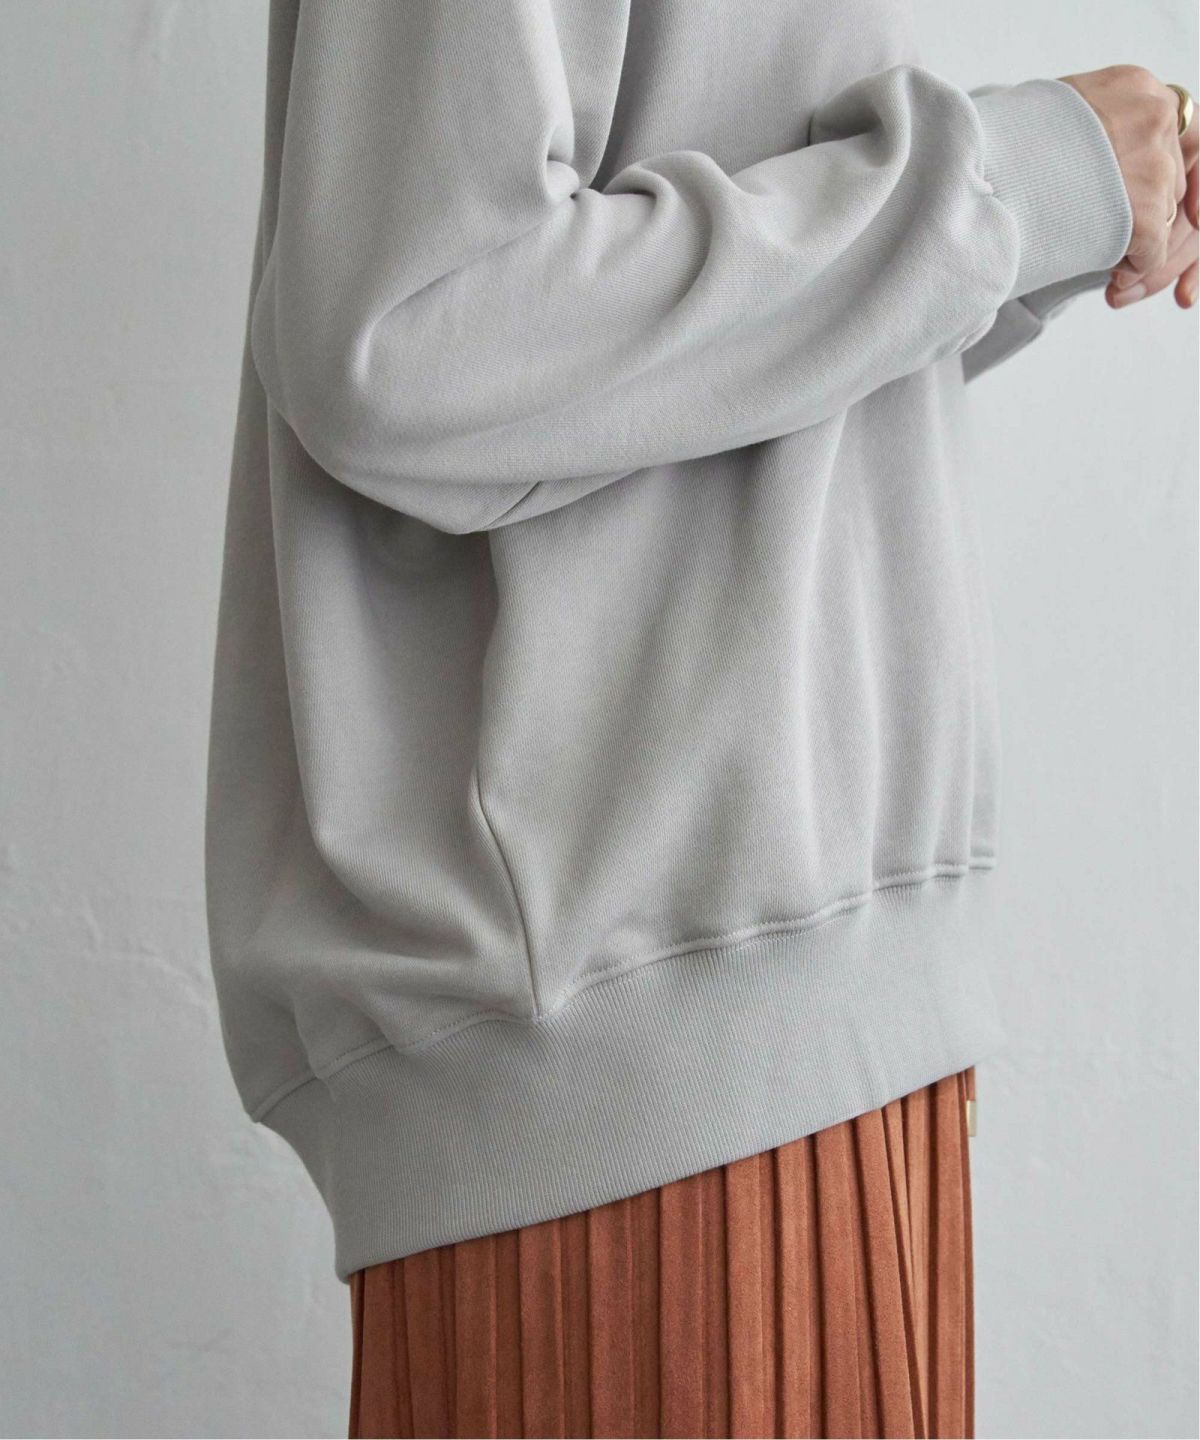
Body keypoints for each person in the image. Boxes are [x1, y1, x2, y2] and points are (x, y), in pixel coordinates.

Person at [204, 2, 1196, 1435]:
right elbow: (413, 334)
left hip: (808, 1007)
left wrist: (1043, 208)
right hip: (632, 1050)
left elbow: (659, 381)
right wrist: (1001, 182)